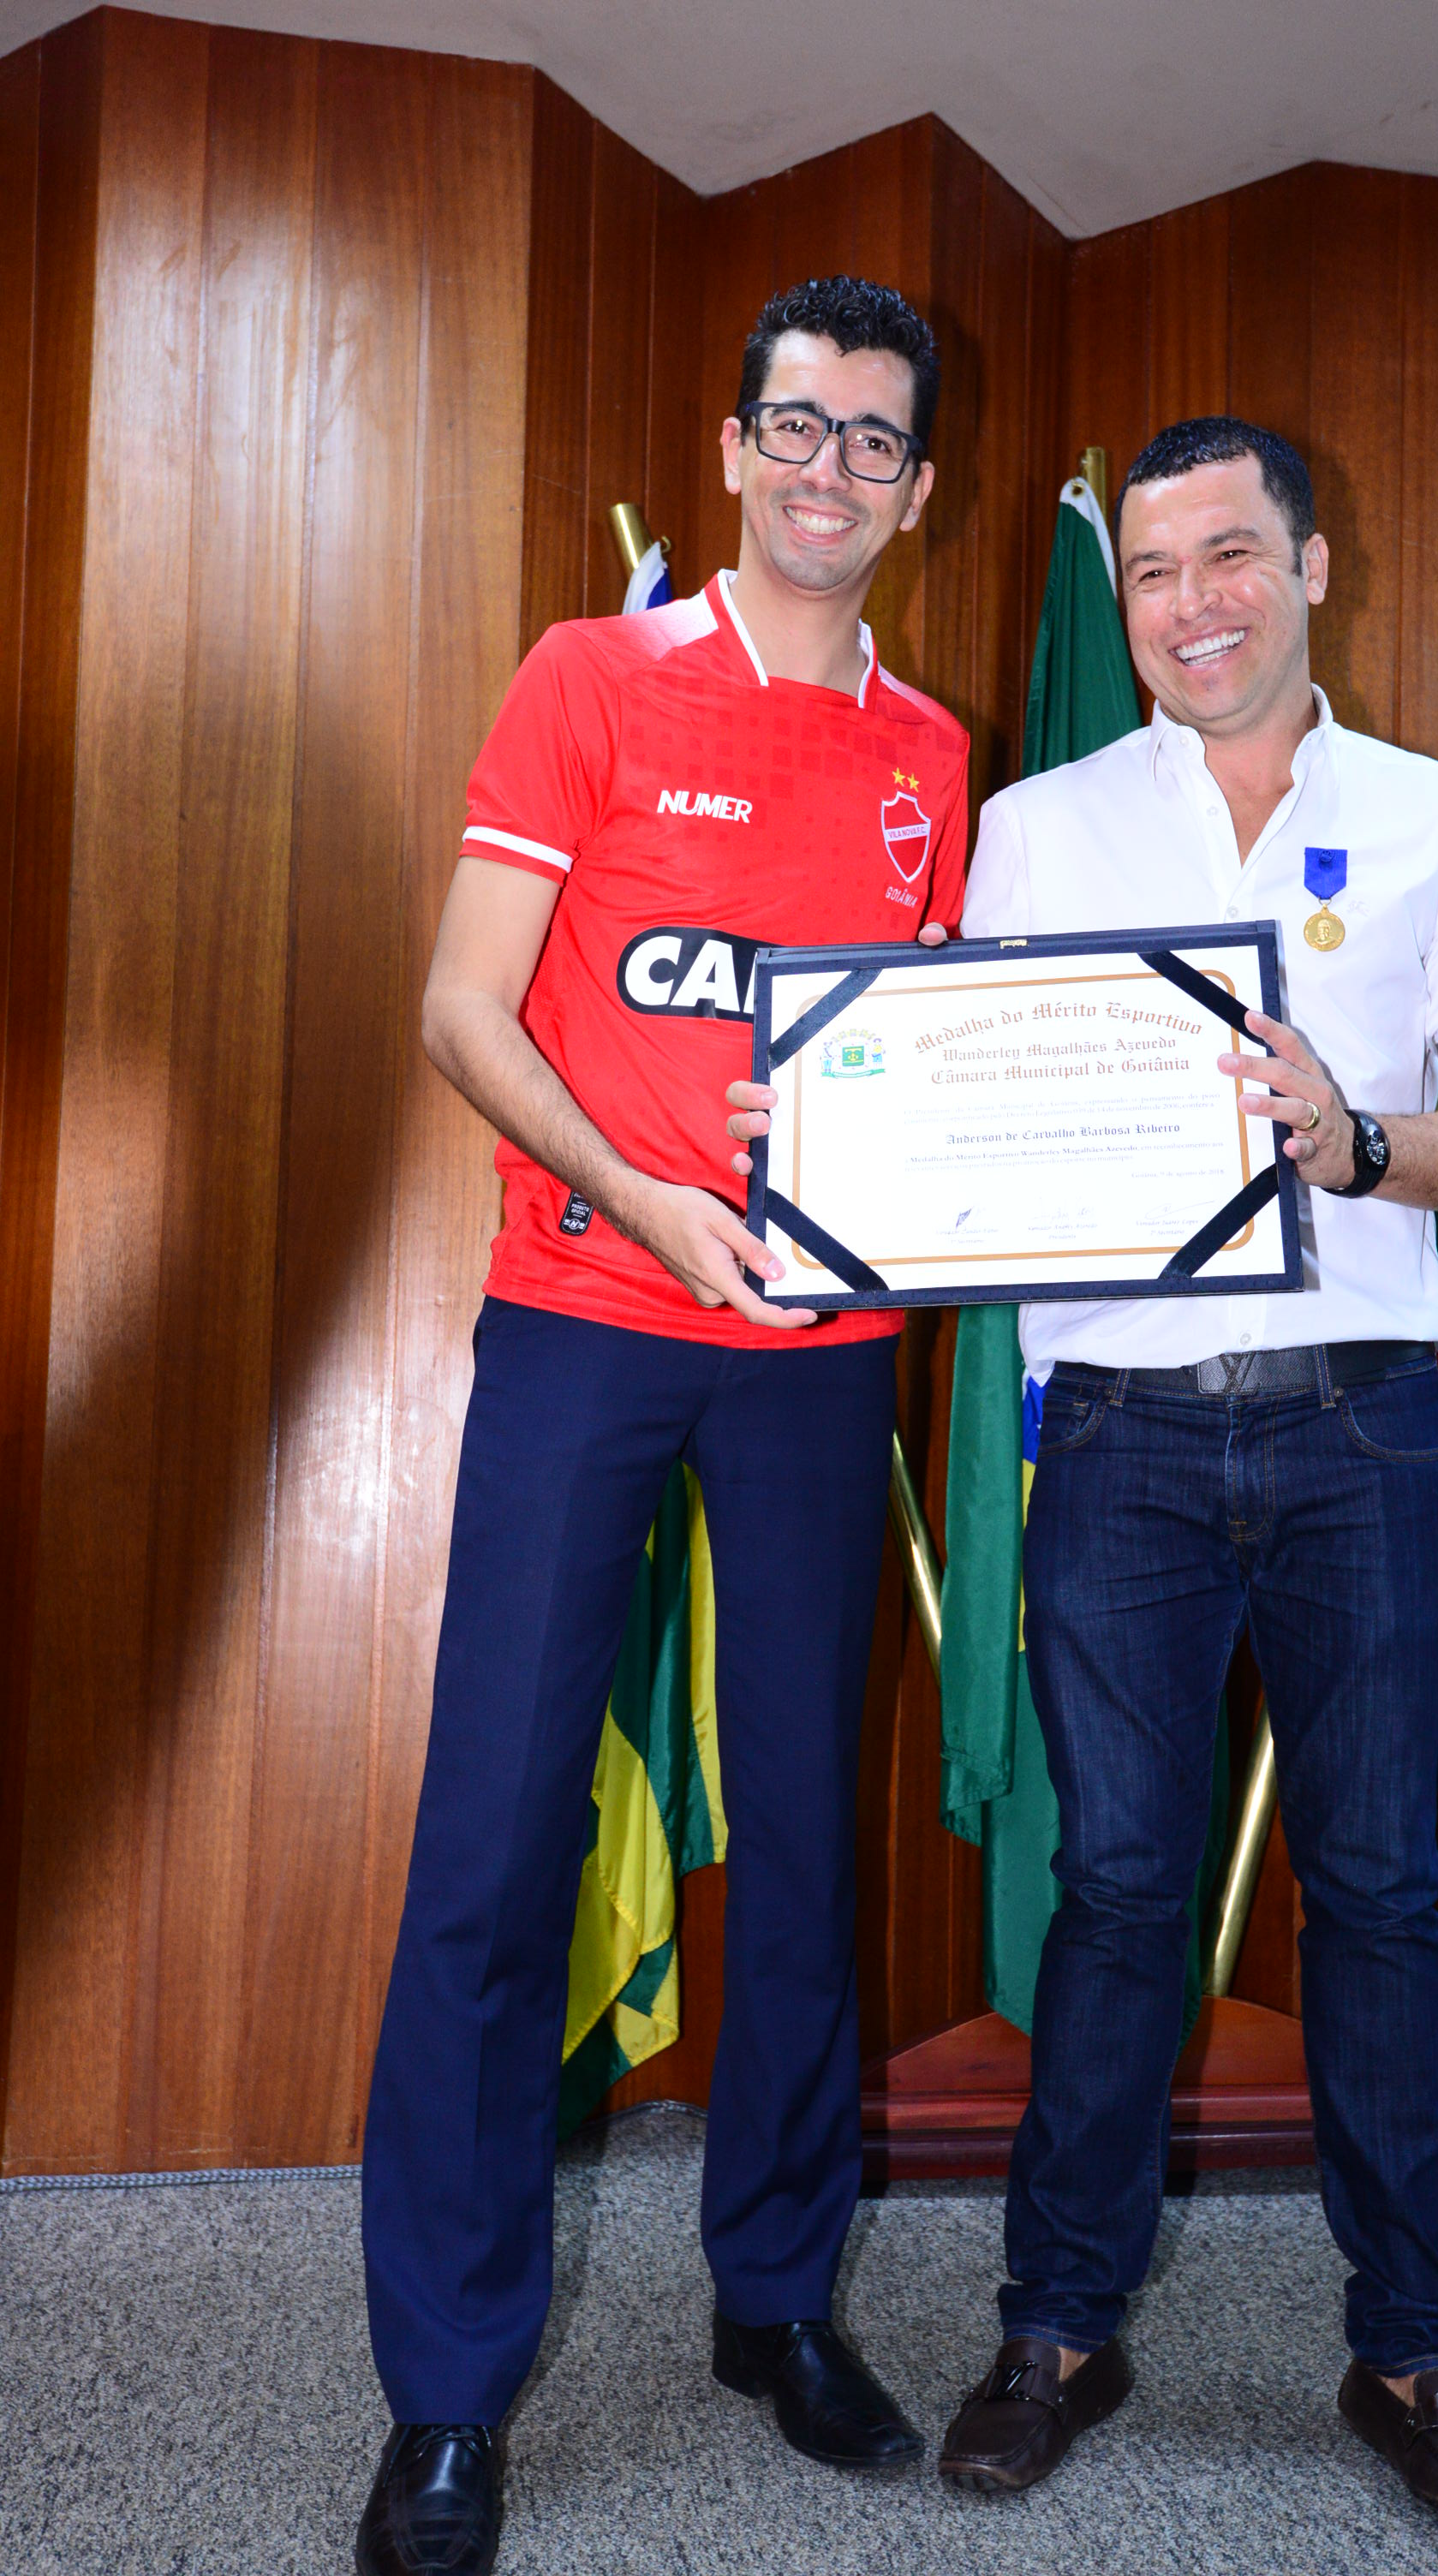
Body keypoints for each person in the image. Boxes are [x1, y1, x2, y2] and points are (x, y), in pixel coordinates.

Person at [356, 276, 969, 2576]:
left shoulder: (932, 757)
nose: (831, 466)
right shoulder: (586, 675)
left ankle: (775, 2299)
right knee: (495, 1846)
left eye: (874, 439)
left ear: (917, 488)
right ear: (733, 449)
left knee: (805, 1842)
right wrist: (647, 1197)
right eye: (796, 424)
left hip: (823, 1354)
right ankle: (445, 2391)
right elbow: (464, 1007)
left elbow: (927, 1065)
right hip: (587, 1320)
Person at [933, 417, 1438, 2528]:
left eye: (1227, 555)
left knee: (1373, 1885)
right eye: (1147, 570)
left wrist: (1352, 1140)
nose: (1186, 602)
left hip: (1354, 1413)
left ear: (1307, 566)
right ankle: (1056, 2326)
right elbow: (959, 1114)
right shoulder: (1031, 829)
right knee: (1116, 1888)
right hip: (1114, 1428)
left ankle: (1410, 2348)